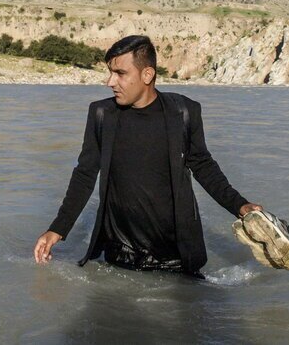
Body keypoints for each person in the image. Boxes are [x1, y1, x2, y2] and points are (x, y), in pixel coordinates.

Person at [33, 35, 262, 277]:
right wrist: (58, 229)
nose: (110, 81)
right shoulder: (102, 115)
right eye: (110, 72)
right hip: (119, 254)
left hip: (176, 256)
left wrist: (239, 205)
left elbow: (203, 166)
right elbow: (85, 173)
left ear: (147, 75)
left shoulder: (184, 112)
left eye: (120, 73)